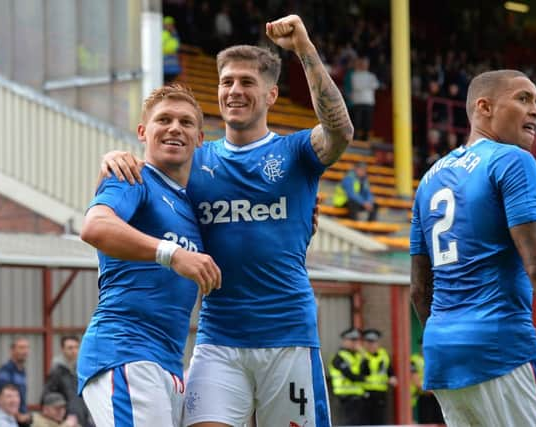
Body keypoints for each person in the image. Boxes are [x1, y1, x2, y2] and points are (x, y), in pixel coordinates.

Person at [101, 14, 353, 427]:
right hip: (217, 340)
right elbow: (145, 176)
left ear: (272, 94)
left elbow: (340, 131)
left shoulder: (296, 153)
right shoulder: (193, 160)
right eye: (226, 81)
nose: (234, 90)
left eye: (247, 82)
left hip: (288, 337)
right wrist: (112, 158)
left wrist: (305, 49)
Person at [410, 69, 536, 426]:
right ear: (484, 107)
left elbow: (419, 289)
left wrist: (453, 341)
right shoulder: (511, 160)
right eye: (523, 99)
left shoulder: (429, 179)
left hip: (444, 356)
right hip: (503, 347)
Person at [78, 84, 222, 427]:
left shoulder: (195, 203)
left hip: (169, 363)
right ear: (143, 132)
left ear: (200, 138)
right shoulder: (131, 177)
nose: (175, 128)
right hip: (124, 352)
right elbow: (94, 227)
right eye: (164, 119)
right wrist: (172, 253)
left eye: (186, 122)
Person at [42, 336, 92, 427]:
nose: (74, 351)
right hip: (66, 421)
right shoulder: (56, 371)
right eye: (70, 348)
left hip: (84, 419)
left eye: (76, 347)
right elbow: (47, 396)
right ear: (62, 349)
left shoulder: (82, 369)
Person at [328, 328, 366, 426]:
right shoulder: (339, 357)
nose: (355, 343)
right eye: (352, 340)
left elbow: (368, 371)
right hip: (344, 399)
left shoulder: (358, 356)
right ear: (345, 341)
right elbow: (351, 376)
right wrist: (363, 378)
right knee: (346, 424)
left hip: (358, 398)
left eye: (356, 340)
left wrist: (363, 353)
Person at [360, 329, 397, 425]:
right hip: (365, 393)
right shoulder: (361, 355)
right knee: (365, 421)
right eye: (369, 342)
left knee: (379, 421)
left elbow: (389, 370)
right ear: (364, 343)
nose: (372, 345)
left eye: (374, 342)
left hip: (381, 393)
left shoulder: (384, 355)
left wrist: (392, 377)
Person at [0, 337, 32, 426]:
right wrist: (19, 416)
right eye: (21, 348)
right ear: (12, 350)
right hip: (10, 419)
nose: (25, 351)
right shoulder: (6, 370)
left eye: (27, 348)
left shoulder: (22, 370)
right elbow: (4, 397)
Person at [350, 56, 379, 141]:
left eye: (365, 64)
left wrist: (365, 85)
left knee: (367, 123)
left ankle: (364, 140)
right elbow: (357, 86)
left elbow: (376, 85)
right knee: (356, 123)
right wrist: (368, 85)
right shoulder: (355, 75)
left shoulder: (371, 75)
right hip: (358, 102)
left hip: (369, 103)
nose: (363, 65)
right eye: (362, 63)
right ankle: (354, 139)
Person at [162, 16, 182, 83]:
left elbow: (176, 46)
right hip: (164, 68)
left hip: (173, 68)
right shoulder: (162, 34)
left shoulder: (175, 34)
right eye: (167, 24)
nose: (169, 26)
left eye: (171, 24)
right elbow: (170, 47)